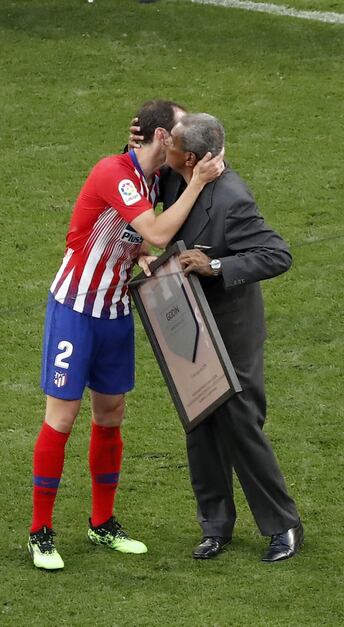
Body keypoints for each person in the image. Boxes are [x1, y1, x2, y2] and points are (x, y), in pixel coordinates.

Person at [28, 100, 224, 571]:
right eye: (180, 129)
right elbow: (156, 232)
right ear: (161, 137)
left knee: (111, 414)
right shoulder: (113, 172)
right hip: (75, 309)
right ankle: (40, 532)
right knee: (62, 417)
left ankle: (102, 523)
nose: (186, 136)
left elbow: (139, 228)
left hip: (115, 309)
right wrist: (197, 182)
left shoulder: (154, 177)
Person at [132, 112, 303, 562]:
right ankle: (215, 526)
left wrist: (217, 266)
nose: (163, 150)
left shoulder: (232, 200)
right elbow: (144, 170)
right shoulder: (176, 176)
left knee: (240, 422)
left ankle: (283, 525)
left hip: (231, 326)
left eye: (171, 147)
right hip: (190, 322)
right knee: (200, 423)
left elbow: (276, 254)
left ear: (191, 157)